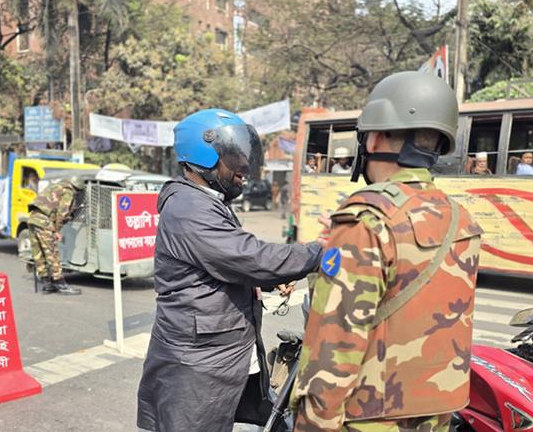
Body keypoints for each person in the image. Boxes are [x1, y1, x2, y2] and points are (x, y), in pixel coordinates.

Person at [290, 72, 483, 432]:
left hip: (369, 416)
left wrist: (312, 425)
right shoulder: (459, 218)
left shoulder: (366, 219)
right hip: (437, 413)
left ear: (374, 137)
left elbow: (335, 343)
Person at [136, 109, 323, 432]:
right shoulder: (189, 207)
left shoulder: (207, 201)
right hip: (197, 364)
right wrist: (320, 250)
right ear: (203, 156)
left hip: (219, 355)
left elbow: (226, 265)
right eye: (234, 159)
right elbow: (249, 258)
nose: (244, 169)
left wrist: (270, 281)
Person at [27, 177, 84, 295]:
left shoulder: (56, 185)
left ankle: (47, 284)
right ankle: (61, 284)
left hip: (33, 218)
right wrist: (57, 230)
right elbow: (62, 212)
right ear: (77, 188)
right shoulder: (68, 191)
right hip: (44, 221)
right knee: (52, 253)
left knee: (38, 253)